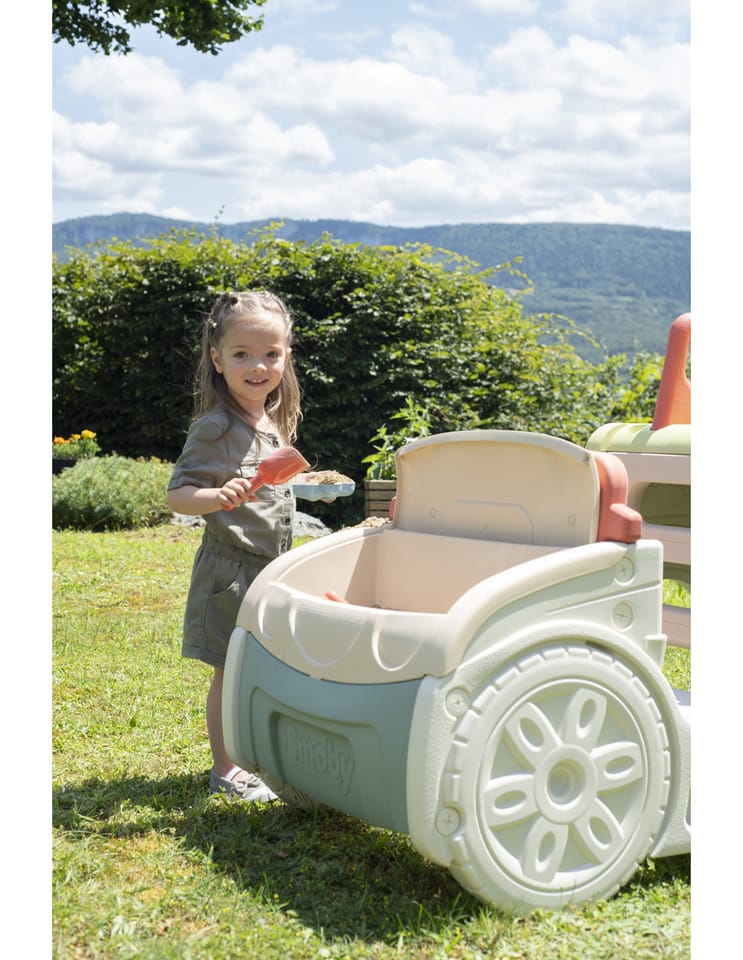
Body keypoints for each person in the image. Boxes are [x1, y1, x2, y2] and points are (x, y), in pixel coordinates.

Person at [167, 290, 306, 802]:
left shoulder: (273, 420)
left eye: (271, 353)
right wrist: (216, 496)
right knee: (229, 671)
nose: (258, 366)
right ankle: (225, 770)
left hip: (273, 569)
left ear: (285, 356)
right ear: (217, 358)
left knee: (264, 668)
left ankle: (258, 758)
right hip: (231, 571)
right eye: (242, 354)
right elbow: (177, 494)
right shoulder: (216, 427)